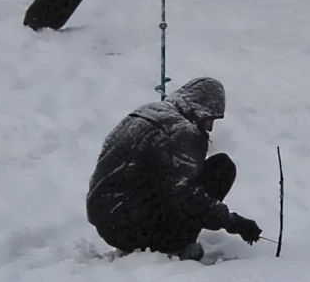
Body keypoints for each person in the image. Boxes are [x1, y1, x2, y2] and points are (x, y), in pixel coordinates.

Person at [86, 77, 262, 261]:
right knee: (221, 168)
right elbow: (188, 194)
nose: (210, 127)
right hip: (134, 228)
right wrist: (234, 223)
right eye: (210, 118)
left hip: (107, 222)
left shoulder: (147, 112)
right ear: (199, 109)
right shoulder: (180, 130)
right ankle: (174, 246)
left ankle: (144, 240)